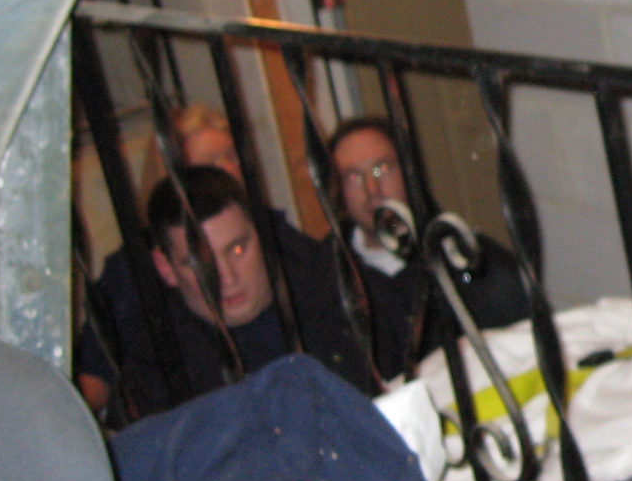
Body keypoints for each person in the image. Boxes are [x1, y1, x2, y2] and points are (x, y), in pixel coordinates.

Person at [119, 166, 374, 416]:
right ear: (166, 267)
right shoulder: (162, 369)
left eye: (238, 249)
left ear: (262, 233)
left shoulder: (336, 288)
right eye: (201, 263)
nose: (227, 277)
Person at [327, 116, 530, 377]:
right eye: (354, 177)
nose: (372, 188)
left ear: (408, 171)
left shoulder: (466, 260)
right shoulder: (327, 281)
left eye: (382, 169)